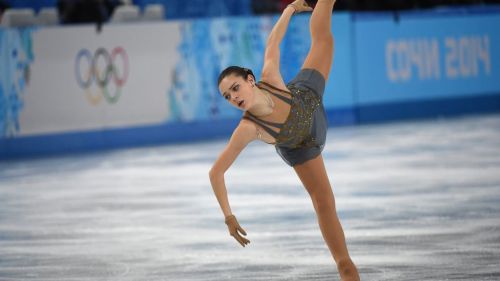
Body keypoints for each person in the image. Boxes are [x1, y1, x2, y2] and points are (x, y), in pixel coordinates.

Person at [209, 0, 360, 280]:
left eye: (235, 87)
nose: (233, 97)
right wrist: (228, 216)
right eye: (227, 96)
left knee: (324, 40)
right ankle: (345, 266)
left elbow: (273, 41)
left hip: (306, 99)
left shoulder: (270, 76)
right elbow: (216, 172)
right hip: (303, 147)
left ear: (250, 80)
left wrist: (291, 9)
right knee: (325, 203)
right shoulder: (248, 129)